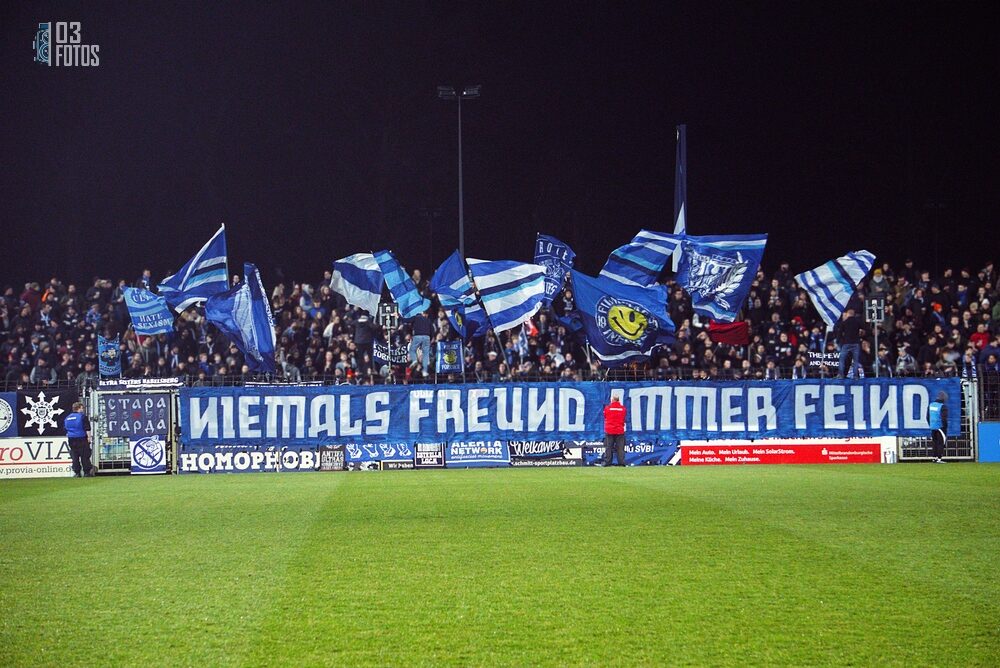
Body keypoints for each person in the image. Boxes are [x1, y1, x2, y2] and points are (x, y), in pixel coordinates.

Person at [65, 402, 95, 477]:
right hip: (81, 438)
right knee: (84, 456)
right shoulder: (82, 417)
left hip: (71, 439)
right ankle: (86, 472)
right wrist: (89, 437)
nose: (83, 409)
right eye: (82, 408)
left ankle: (77, 472)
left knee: (74, 456)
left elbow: (65, 428)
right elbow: (87, 428)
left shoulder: (67, 418)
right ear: (79, 408)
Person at [835, 308, 864, 379]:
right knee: (856, 360)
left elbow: (840, 333)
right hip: (856, 343)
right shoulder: (857, 322)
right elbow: (864, 328)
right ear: (854, 314)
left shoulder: (844, 322)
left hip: (846, 343)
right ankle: (856, 376)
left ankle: (841, 375)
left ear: (848, 314)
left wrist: (839, 341)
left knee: (842, 359)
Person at [601, 392, 627, 467]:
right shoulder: (623, 409)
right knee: (620, 448)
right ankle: (621, 463)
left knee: (608, 447)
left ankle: (607, 462)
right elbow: (624, 417)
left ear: (612, 400)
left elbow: (605, 416)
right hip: (619, 430)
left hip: (610, 430)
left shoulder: (608, 408)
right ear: (618, 400)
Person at [928, 391, 949, 463]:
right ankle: (939, 458)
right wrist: (945, 426)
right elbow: (944, 418)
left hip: (933, 426)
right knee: (941, 443)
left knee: (934, 442)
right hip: (940, 427)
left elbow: (927, 416)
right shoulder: (942, 406)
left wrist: (931, 424)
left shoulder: (931, 405)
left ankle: (934, 457)